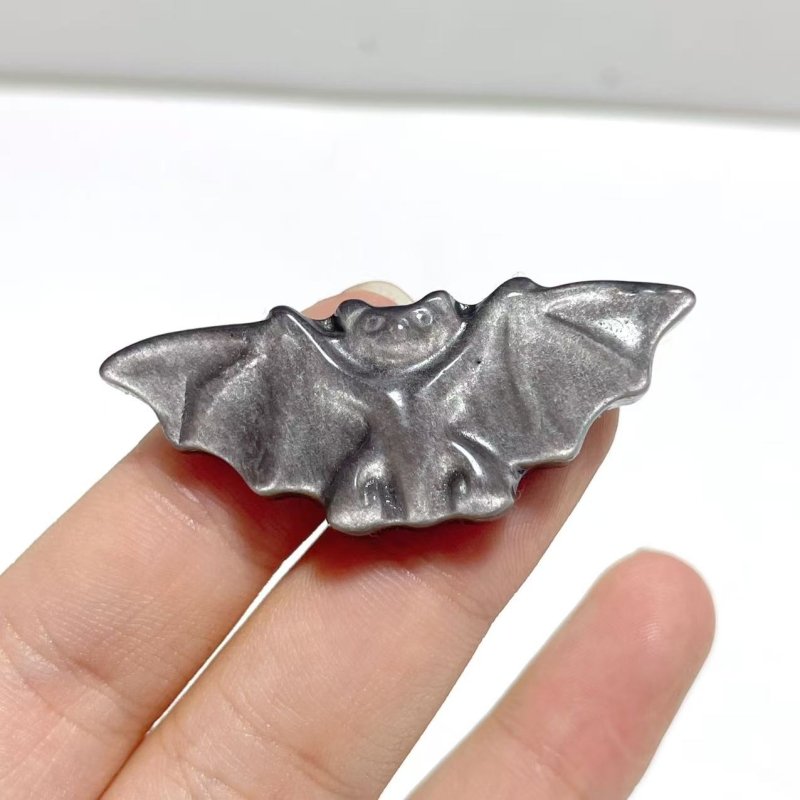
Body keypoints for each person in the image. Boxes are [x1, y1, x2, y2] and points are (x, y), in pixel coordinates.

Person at [0, 283, 714, 799]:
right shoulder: (300, 357)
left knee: (487, 438)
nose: (399, 332)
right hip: (365, 478)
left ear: (448, 318)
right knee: (357, 490)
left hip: (466, 462)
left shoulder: (504, 331)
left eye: (421, 322)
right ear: (347, 329)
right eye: (376, 327)